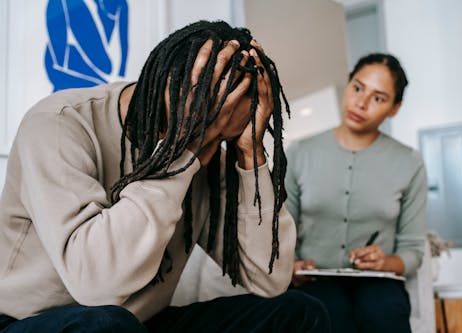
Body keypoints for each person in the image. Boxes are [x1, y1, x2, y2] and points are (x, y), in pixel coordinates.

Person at [0, 20, 330, 332]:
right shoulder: (58, 124)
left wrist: (251, 153)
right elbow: (96, 287)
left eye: (225, 137)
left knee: (299, 312)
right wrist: (183, 153)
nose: (212, 149)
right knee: (107, 326)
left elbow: (270, 278)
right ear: (174, 89)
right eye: (210, 132)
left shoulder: (210, 154)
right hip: (32, 321)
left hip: (138, 323)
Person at [285, 53, 427, 333]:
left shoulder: (409, 162)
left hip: (379, 282)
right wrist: (290, 266)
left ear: (394, 108)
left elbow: (412, 251)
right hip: (315, 281)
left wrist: (384, 262)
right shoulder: (301, 153)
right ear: (348, 84)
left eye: (378, 98)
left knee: (385, 312)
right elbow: (280, 231)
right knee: (326, 313)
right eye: (358, 88)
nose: (361, 103)